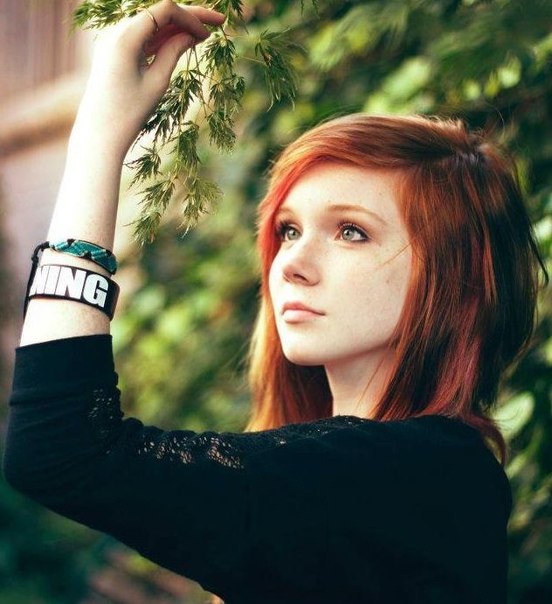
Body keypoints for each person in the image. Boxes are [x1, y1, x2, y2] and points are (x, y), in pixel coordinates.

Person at [2, 1, 547, 603]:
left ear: (453, 274)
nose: (290, 263)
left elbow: (63, 450)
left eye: (351, 231)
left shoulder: (424, 473)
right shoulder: (365, 477)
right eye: (289, 230)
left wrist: (99, 135)